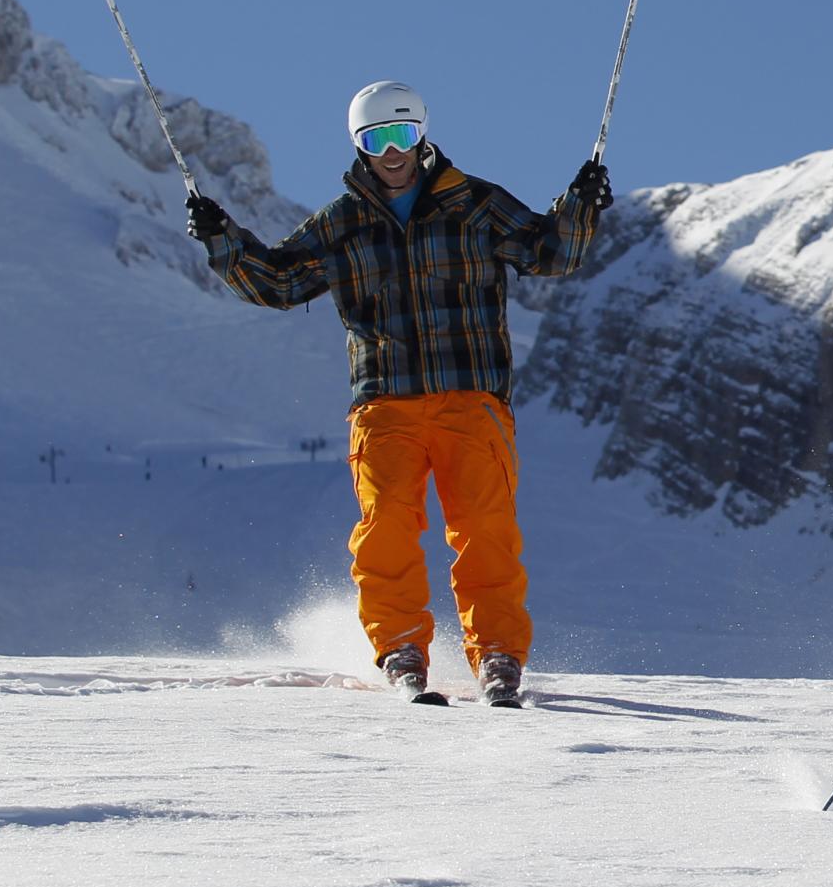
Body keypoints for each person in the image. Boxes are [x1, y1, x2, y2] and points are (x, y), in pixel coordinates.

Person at [184, 81, 611, 707]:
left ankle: (496, 655)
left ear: (423, 135)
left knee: (485, 529)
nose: (393, 151)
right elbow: (276, 283)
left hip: (472, 398)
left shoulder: (475, 203)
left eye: (403, 135)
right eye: (378, 138)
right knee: (385, 524)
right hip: (385, 402)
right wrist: (222, 238)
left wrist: (581, 204)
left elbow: (552, 251)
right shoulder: (342, 223)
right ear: (359, 144)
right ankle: (402, 647)